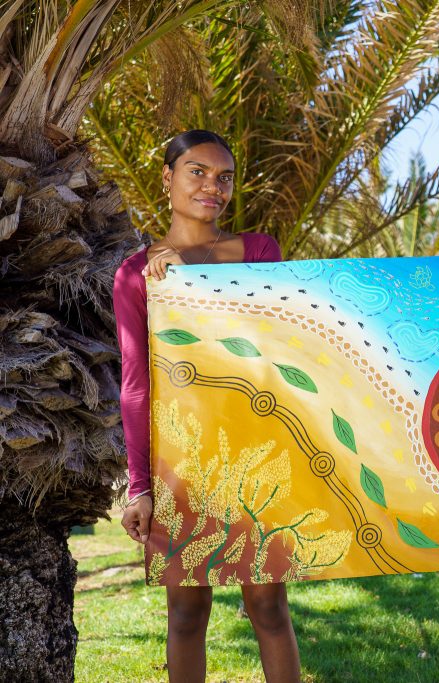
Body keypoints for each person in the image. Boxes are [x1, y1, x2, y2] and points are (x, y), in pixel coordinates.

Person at [114, 130, 301, 683]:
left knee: (269, 606)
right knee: (187, 614)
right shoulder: (135, 273)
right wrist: (140, 485)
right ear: (167, 178)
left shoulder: (260, 251)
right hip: (181, 456)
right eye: (197, 171)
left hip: (257, 450)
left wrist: (189, 282)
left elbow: (270, 339)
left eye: (224, 177)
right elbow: (136, 383)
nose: (212, 186)